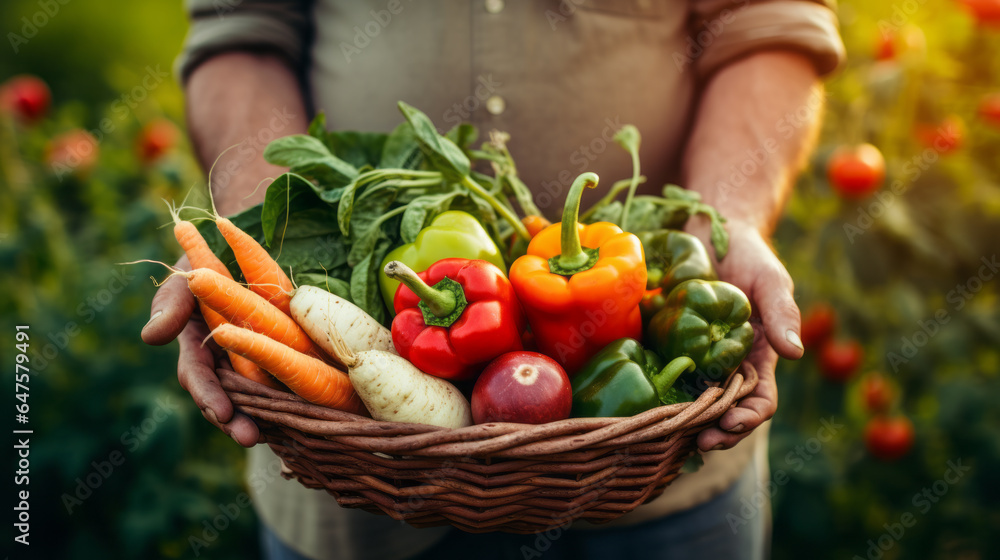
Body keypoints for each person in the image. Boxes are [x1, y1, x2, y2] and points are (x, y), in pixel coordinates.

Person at [142, 1, 845, 558]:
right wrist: (265, 232)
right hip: (355, 492)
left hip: (670, 460)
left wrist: (723, 224)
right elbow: (242, 30)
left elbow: (766, 20)